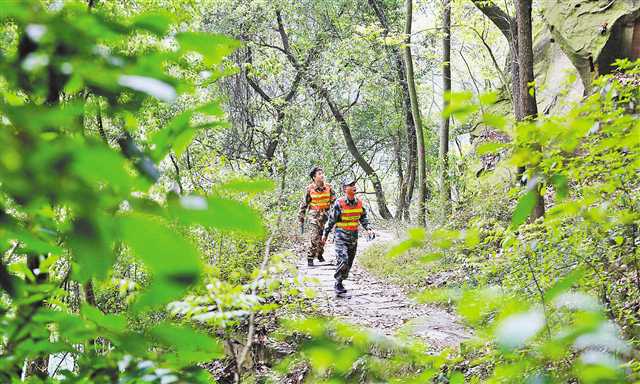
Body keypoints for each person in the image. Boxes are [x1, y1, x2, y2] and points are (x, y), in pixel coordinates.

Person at [321, 177, 374, 294]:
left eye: (354, 184)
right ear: (345, 189)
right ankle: (338, 282)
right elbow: (331, 220)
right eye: (351, 185)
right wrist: (325, 235)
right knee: (343, 260)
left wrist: (368, 228)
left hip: (353, 238)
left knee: (349, 263)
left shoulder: (359, 203)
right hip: (341, 237)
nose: (354, 187)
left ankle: (341, 281)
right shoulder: (339, 203)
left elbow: (363, 217)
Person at [298, 166, 336, 267]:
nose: (322, 175)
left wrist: (337, 217)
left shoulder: (329, 187)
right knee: (314, 236)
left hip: (325, 216)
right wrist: (301, 219)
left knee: (322, 236)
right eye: (319, 174)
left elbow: (335, 203)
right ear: (314, 177)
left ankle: (319, 254)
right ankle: (310, 257)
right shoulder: (310, 189)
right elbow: (304, 205)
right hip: (314, 215)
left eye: (322, 173)